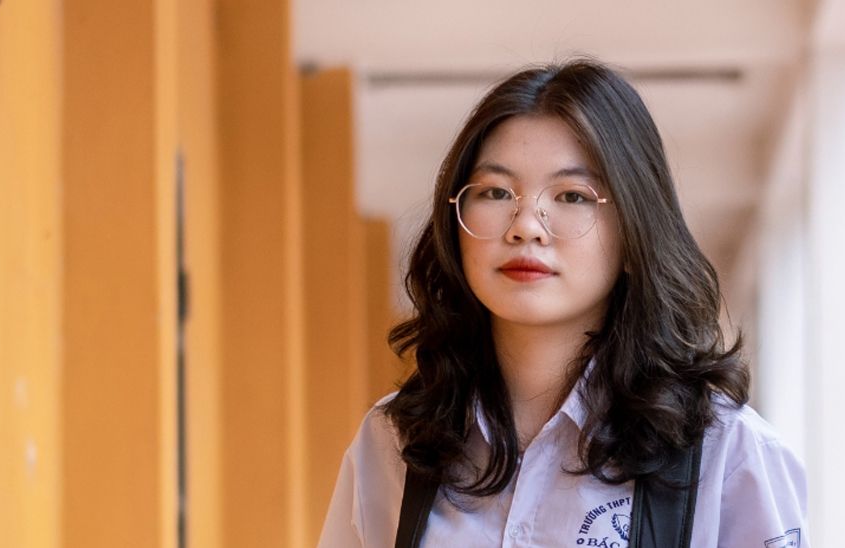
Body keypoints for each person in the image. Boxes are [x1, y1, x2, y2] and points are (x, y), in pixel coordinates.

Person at [318, 59, 808, 548]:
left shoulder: (728, 454)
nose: (525, 225)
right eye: (495, 191)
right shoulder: (393, 443)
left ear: (635, 231)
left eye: (572, 196)